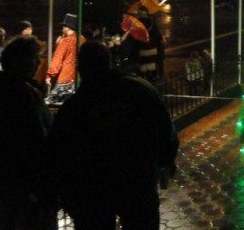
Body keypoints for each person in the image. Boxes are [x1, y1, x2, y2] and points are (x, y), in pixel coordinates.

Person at [47, 41, 178, 229]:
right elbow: (165, 130)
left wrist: (66, 194)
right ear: (109, 62)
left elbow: (59, 151)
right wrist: (164, 163)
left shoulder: (75, 106)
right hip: (137, 182)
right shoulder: (140, 90)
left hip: (93, 191)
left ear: (81, 68)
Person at [0, 36, 54, 229]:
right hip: (18, 180)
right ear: (21, 61)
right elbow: (35, 136)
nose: (38, 63)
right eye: (34, 58)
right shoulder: (21, 92)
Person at [46, 14, 83, 103]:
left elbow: (57, 58)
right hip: (79, 76)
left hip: (66, 77)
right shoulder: (82, 39)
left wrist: (49, 75)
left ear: (67, 28)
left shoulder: (65, 41)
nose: (62, 29)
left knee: (53, 102)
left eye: (63, 27)